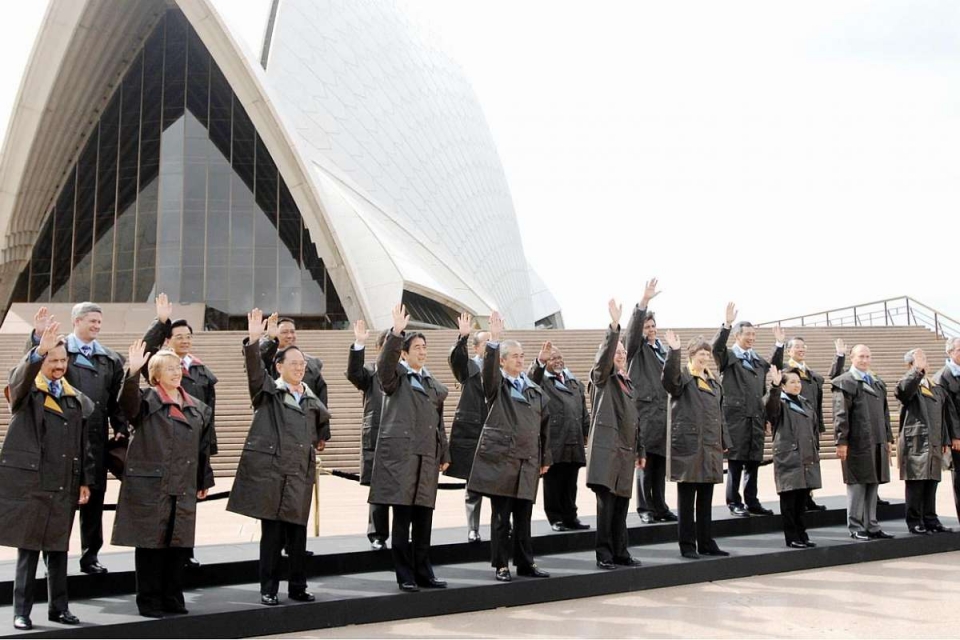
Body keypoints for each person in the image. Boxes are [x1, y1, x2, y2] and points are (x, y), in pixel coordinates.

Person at [227, 309, 330, 605]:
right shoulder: (268, 391)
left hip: (299, 473)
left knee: (298, 537)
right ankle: (268, 589)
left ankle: (298, 586)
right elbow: (255, 371)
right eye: (293, 364)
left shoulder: (311, 397)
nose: (299, 368)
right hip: (273, 474)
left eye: (302, 364)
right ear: (279, 366)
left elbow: (320, 424)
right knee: (271, 537)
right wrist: (257, 341)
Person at [1, 320, 93, 630]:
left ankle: (59, 608)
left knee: (58, 551)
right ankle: (22, 611)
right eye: (52, 360)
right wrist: (37, 350)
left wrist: (83, 480)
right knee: (28, 553)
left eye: (62, 360)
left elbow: (83, 443)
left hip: (63, 484)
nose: (58, 366)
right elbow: (18, 381)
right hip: (33, 485)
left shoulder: (73, 397)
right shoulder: (27, 393)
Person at [113, 342, 215, 617]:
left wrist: (203, 480)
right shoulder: (146, 401)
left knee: (178, 544)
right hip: (151, 484)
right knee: (150, 544)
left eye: (178, 367)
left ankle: (173, 597)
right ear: (155, 375)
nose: (176, 372)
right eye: (169, 368)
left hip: (182, 483)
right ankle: (148, 600)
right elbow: (126, 404)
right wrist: (133, 371)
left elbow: (202, 447)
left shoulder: (198, 408)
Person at [28, 304, 127, 575]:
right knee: (60, 504)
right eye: (92, 321)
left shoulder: (110, 359)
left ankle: (90, 555)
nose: (97, 326)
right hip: (63, 439)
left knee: (94, 502)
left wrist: (120, 426)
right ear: (76, 321)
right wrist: (37, 337)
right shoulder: (59, 351)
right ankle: (53, 560)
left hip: (95, 441)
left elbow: (115, 398)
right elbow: (32, 367)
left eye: (99, 322)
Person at [369, 303, 450, 592]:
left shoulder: (431, 384)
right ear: (403, 352)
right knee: (402, 522)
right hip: (402, 461)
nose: (422, 352)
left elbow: (438, 422)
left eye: (424, 347)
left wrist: (444, 453)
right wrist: (396, 333)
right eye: (416, 347)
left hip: (426, 459)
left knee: (424, 521)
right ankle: (405, 575)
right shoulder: (394, 379)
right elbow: (383, 367)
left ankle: (424, 571)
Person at [468, 310, 552, 582]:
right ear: (502, 361)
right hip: (502, 461)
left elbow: (543, 426)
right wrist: (494, 339)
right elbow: (488, 373)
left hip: (526, 461)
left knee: (524, 517)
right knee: (502, 518)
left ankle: (526, 563)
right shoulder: (496, 384)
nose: (520, 359)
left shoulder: (533, 389)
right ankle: (501, 565)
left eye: (522, 356)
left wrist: (544, 457)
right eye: (515, 356)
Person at [142, 293, 219, 569]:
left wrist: (207, 452)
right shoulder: (160, 367)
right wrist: (161, 321)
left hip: (193, 447)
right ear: (168, 340)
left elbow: (208, 413)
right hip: (164, 450)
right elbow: (144, 354)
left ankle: (185, 552)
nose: (185, 340)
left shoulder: (202, 372)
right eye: (178, 336)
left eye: (188, 336)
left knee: (188, 509)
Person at [662, 331, 731, 559]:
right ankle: (687, 545)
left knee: (706, 498)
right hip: (689, 446)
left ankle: (706, 542)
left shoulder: (713, 381)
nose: (704, 358)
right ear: (691, 355)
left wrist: (725, 441)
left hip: (710, 446)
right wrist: (674, 352)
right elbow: (669, 380)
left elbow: (720, 413)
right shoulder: (682, 376)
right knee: (686, 500)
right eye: (701, 353)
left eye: (707, 354)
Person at [585, 299, 643, 569]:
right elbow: (605, 358)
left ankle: (621, 552)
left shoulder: (627, 382)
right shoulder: (602, 377)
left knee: (621, 506)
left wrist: (640, 451)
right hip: (607, 452)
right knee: (606, 506)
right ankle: (604, 554)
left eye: (622, 353)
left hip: (625, 453)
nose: (619, 355)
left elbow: (635, 422)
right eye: (615, 352)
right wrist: (615, 328)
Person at [712, 303, 784, 517]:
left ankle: (752, 500)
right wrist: (726, 324)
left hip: (756, 416)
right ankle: (734, 501)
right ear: (737, 336)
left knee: (753, 461)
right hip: (735, 418)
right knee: (736, 462)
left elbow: (774, 369)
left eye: (754, 334)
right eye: (748, 334)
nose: (752, 338)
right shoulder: (728, 358)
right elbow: (716, 348)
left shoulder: (757, 360)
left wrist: (779, 344)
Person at [626, 278, 677, 523]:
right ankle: (645, 508)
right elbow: (633, 331)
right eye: (646, 325)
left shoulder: (663, 350)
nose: (650, 329)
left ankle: (660, 505)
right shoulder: (636, 349)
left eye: (652, 325)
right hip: (645, 412)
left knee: (660, 464)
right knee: (644, 463)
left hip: (664, 413)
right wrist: (643, 303)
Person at [832, 344, 895, 541]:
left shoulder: (876, 382)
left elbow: (885, 414)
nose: (865, 360)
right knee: (857, 485)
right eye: (861, 356)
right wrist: (841, 442)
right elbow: (840, 415)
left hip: (877, 440)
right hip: (857, 442)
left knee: (873, 484)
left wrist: (889, 439)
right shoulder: (844, 382)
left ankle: (872, 525)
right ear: (852, 357)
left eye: (868, 356)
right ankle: (856, 525)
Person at [528, 340, 590, 532]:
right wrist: (539, 360)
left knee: (571, 481)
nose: (557, 361)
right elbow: (531, 380)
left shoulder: (574, 382)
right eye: (553, 358)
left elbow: (583, 410)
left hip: (574, 438)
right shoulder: (542, 381)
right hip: (554, 439)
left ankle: (571, 516)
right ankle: (555, 518)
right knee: (554, 481)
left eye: (559, 357)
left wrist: (586, 431)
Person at [895, 349, 955, 534]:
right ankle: (915, 521)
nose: (924, 365)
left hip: (935, 441)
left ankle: (931, 519)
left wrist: (945, 439)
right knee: (916, 483)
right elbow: (903, 391)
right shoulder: (909, 385)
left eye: (925, 361)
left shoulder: (936, 388)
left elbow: (943, 417)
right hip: (916, 442)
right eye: (918, 362)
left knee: (931, 482)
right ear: (910, 366)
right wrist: (916, 372)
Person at [784, 336, 846, 512]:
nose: (801, 349)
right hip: (794, 426)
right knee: (798, 464)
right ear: (789, 351)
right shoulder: (786, 371)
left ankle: (808, 497)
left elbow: (827, 386)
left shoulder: (811, 375)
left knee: (811, 462)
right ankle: (798, 500)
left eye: (803, 347)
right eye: (796, 347)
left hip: (811, 424)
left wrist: (840, 356)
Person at [765, 367, 822, 548]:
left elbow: (813, 430)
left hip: (806, 457)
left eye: (798, 382)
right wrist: (774, 386)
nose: (797, 385)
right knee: (789, 501)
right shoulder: (779, 402)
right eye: (792, 382)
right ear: (783, 386)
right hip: (789, 457)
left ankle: (802, 534)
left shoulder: (806, 403)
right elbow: (769, 407)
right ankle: (792, 537)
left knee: (801, 501)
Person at [345, 319, 390, 550]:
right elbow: (354, 373)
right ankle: (378, 535)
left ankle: (405, 532)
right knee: (379, 488)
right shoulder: (371, 372)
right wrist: (359, 343)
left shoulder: (406, 373)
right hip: (378, 436)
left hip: (402, 438)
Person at [446, 313, 491, 542]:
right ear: (476, 347)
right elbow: (456, 361)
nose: (492, 346)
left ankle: (504, 524)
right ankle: (473, 528)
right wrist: (462, 337)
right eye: (487, 342)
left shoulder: (501, 368)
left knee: (499, 481)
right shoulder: (469, 368)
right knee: (473, 483)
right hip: (472, 430)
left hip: (496, 431)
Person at [933, 337, 960, 521]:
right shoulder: (943, 376)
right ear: (950, 352)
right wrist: (955, 437)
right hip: (957, 438)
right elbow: (948, 411)